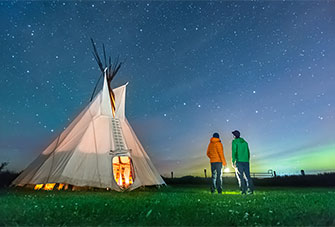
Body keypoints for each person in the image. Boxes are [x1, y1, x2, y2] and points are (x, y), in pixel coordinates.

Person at [231, 130, 254, 195]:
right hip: (246, 161)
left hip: (239, 161)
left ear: (234, 136)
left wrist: (233, 161)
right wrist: (247, 159)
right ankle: (250, 190)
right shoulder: (245, 142)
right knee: (248, 176)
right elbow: (248, 152)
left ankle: (243, 190)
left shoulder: (234, 142)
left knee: (240, 176)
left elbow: (234, 152)